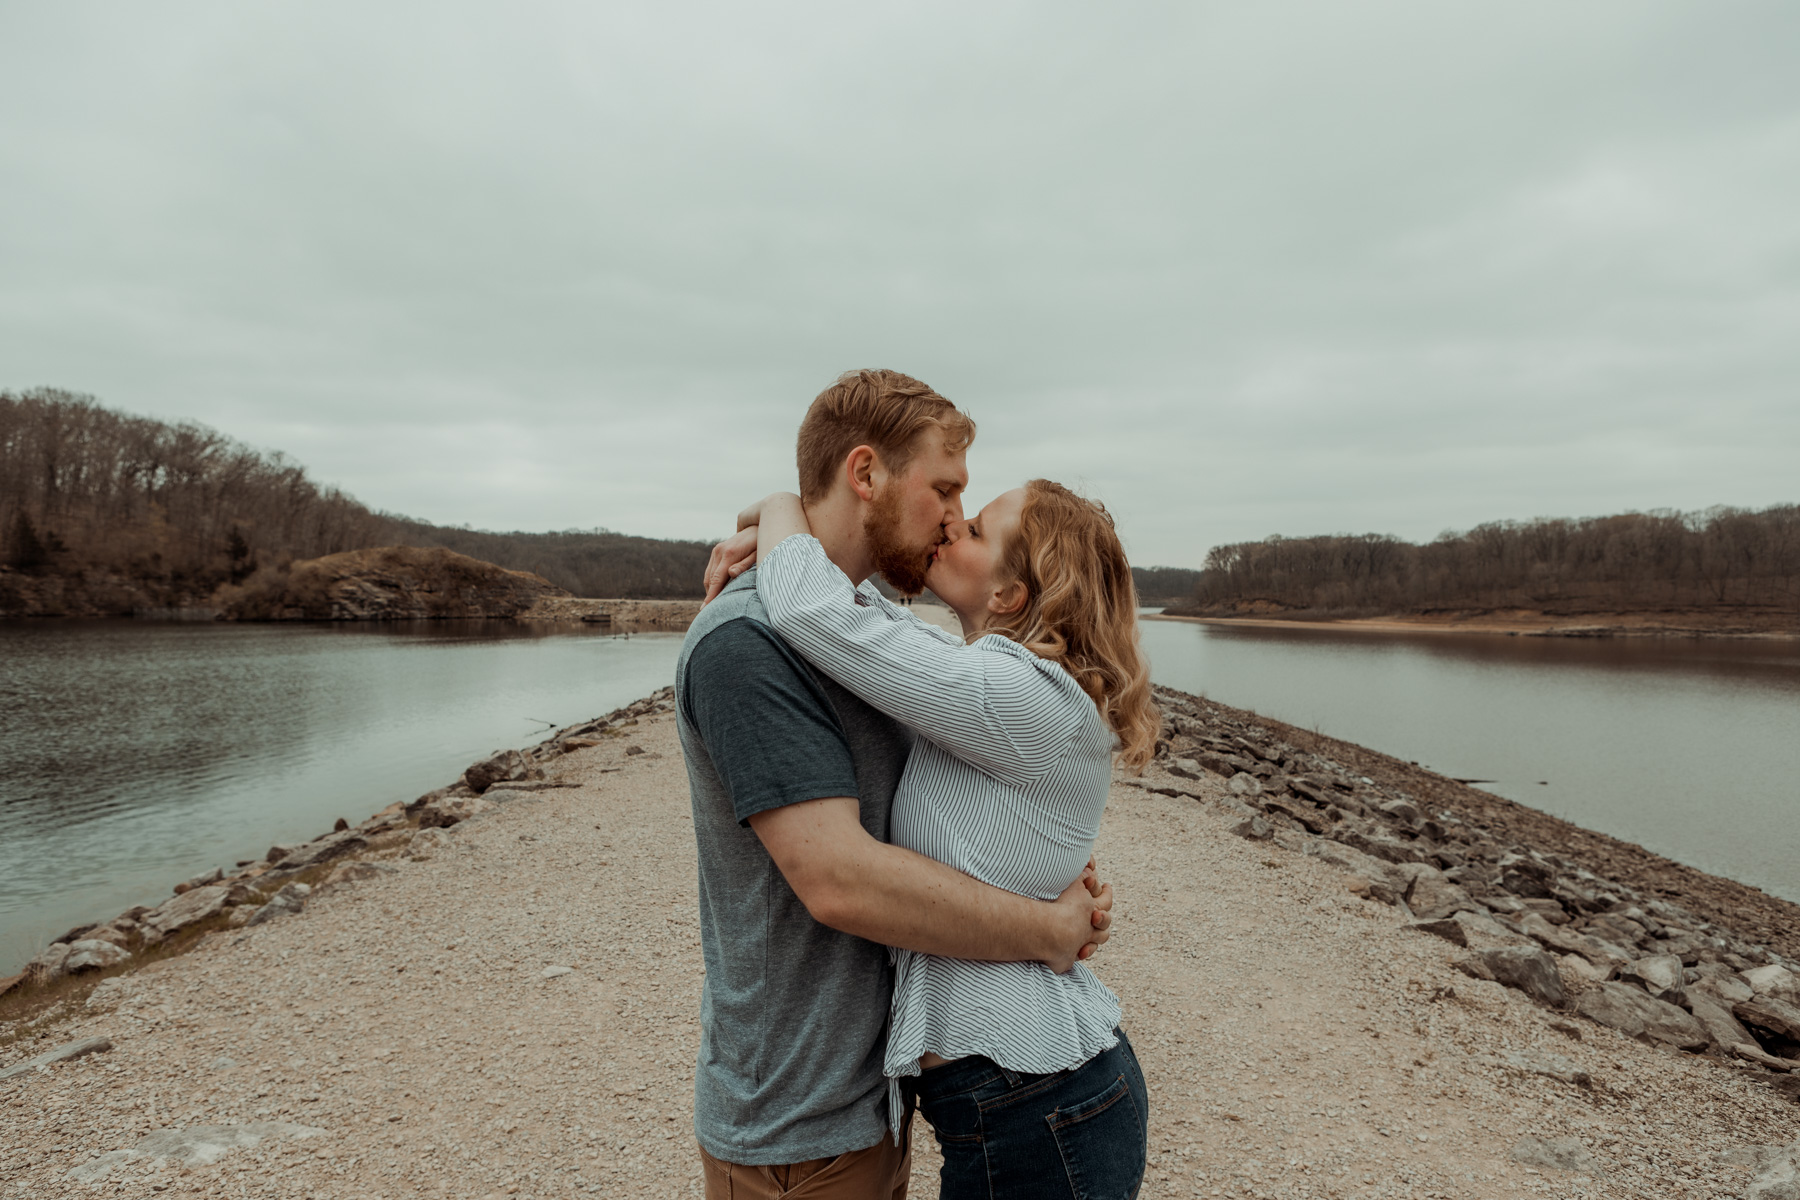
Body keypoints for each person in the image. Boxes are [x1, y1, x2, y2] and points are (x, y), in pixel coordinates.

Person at [675, 369, 1114, 1200]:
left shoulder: (868, 631)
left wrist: (1058, 882)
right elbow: (840, 881)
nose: (952, 517)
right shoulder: (749, 643)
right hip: (793, 1127)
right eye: (945, 489)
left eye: (969, 510)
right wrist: (1047, 929)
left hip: (879, 1099)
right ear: (866, 474)